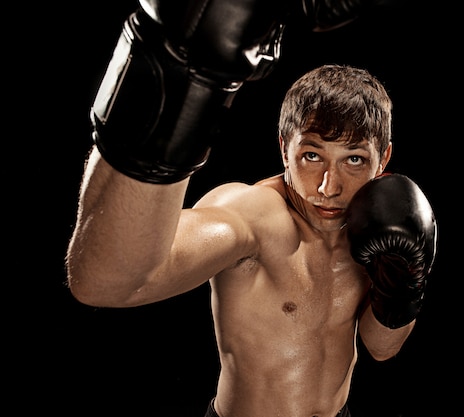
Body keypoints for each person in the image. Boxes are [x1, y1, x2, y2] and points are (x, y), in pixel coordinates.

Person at [66, 1, 437, 416]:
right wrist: (181, 76)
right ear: (284, 148)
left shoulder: (375, 222)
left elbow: (382, 348)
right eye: (311, 156)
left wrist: (402, 285)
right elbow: (104, 283)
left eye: (353, 160)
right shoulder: (256, 216)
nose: (329, 188)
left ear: (382, 159)